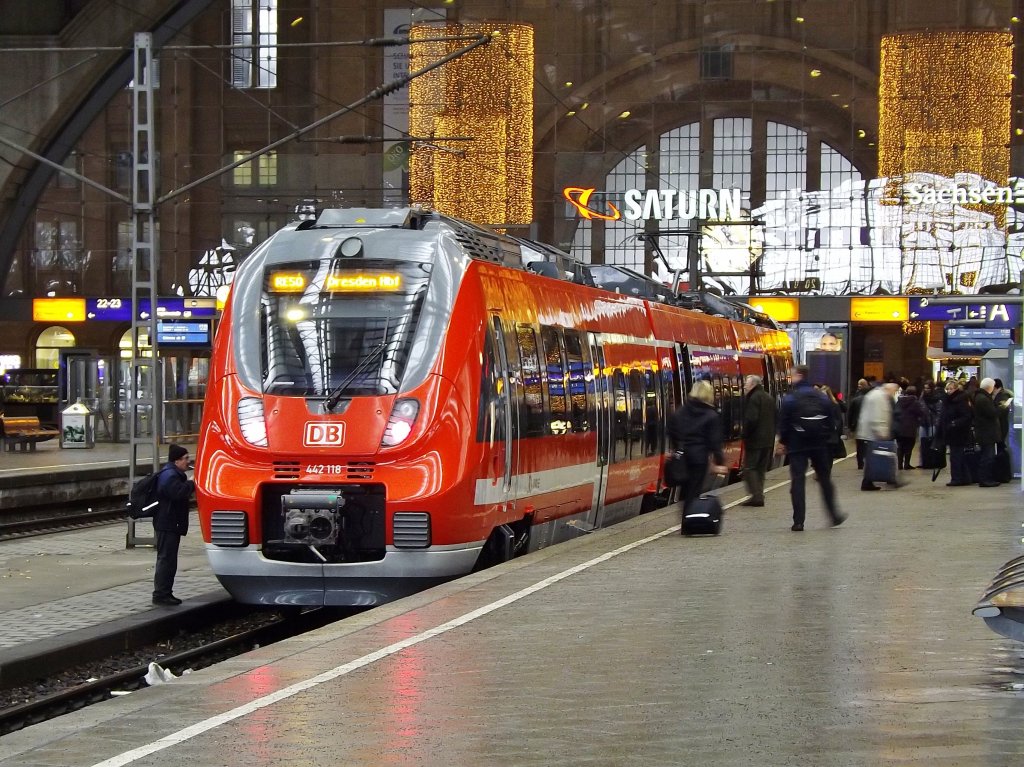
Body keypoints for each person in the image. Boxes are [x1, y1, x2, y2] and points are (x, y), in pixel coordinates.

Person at [776, 365, 845, 531]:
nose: (789, 378)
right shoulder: (820, 396)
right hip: (819, 444)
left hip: (797, 444)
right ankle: (834, 515)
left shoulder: (791, 397)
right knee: (825, 480)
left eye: (791, 375)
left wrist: (784, 442)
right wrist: (825, 436)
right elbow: (830, 419)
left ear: (799, 375)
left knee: (798, 482)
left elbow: (783, 422)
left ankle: (798, 521)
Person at [667, 380, 729, 514]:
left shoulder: (680, 412)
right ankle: (690, 522)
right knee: (694, 491)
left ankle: (686, 520)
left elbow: (672, 431)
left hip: (682, 459)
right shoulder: (711, 415)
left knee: (685, 492)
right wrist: (720, 462)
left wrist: (677, 448)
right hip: (699, 460)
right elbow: (714, 442)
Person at [152, 444, 196, 606]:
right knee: (167, 559)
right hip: (168, 523)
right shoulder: (170, 475)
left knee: (168, 559)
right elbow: (177, 493)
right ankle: (161, 594)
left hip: (169, 522)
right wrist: (191, 483)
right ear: (176, 461)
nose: (188, 461)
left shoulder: (171, 473)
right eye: (185, 458)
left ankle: (164, 593)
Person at [856, 381, 900, 491]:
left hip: (868, 432)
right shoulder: (879, 398)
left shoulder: (875, 394)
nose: (893, 394)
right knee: (874, 458)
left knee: (871, 458)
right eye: (894, 391)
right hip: (872, 434)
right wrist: (882, 433)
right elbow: (878, 417)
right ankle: (873, 481)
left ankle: (869, 481)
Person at [740, 374, 776, 507]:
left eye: (746, 384)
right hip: (768, 440)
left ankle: (756, 496)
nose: (744, 386)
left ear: (753, 385)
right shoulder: (768, 397)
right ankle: (759, 494)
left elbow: (751, 419)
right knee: (760, 469)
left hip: (755, 440)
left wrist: (745, 434)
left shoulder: (753, 398)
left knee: (750, 468)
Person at [938, 379, 974, 486]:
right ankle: (965, 478)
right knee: (958, 456)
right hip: (951, 432)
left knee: (956, 456)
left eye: (951, 389)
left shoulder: (960, 400)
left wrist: (954, 423)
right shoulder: (948, 400)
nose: (949, 391)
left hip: (958, 433)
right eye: (947, 389)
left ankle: (957, 478)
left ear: (956, 389)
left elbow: (966, 416)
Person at [973, 378, 1000, 487]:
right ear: (990, 387)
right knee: (988, 457)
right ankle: (985, 479)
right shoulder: (983, 399)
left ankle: (986, 479)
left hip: (984, 432)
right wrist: (1002, 408)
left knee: (987, 456)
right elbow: (992, 413)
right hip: (986, 433)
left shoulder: (980, 397)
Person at [893, 385, 928, 470]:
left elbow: (894, 412)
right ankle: (907, 464)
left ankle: (899, 464)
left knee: (900, 446)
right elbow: (921, 413)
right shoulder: (915, 402)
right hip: (910, 427)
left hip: (899, 427)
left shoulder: (899, 401)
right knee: (909, 446)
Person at [847, 378, 870, 469]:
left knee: (859, 445)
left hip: (857, 425)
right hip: (868, 425)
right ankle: (868, 461)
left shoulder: (855, 399)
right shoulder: (870, 399)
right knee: (868, 444)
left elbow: (850, 414)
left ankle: (860, 463)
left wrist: (850, 427)